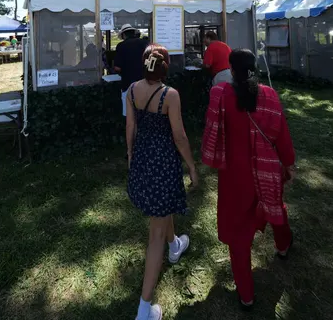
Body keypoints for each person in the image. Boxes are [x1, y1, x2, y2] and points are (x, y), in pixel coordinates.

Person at [201, 49, 295, 310]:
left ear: (231, 70)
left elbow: (211, 131)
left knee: (239, 236)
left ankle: (246, 294)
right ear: (255, 68)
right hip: (267, 170)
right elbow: (282, 135)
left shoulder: (220, 95)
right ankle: (284, 245)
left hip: (234, 177)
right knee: (275, 206)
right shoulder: (270, 95)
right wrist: (288, 163)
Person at [127, 44, 198, 320]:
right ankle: (145, 309)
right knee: (155, 233)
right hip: (163, 164)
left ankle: (175, 246)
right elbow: (179, 136)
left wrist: (131, 155)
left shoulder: (132, 89)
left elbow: (130, 127)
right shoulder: (170, 95)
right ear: (165, 66)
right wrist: (192, 166)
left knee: (161, 211)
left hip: (143, 161)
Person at [114, 24, 147, 116]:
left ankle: (132, 130)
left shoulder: (121, 46)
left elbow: (117, 67)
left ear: (123, 35)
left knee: (129, 115)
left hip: (127, 84)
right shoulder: (144, 43)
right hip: (144, 83)